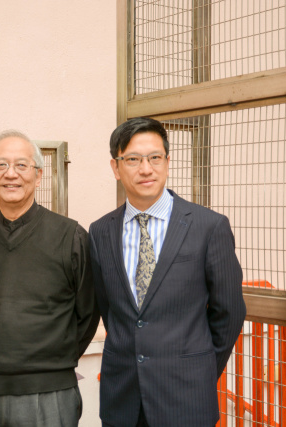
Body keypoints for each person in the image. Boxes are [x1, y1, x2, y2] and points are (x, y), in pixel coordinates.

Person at [89, 117, 246, 426]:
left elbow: (229, 312)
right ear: (116, 167)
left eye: (155, 158)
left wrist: (199, 370)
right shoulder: (100, 231)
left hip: (186, 397)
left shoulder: (208, 227)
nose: (146, 169)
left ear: (168, 162)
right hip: (123, 399)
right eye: (133, 159)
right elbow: (110, 309)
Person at [0, 130, 99, 427]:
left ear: (38, 175)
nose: (11, 174)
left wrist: (51, 363)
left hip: (48, 391)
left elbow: (88, 313)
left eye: (22, 165)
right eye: (1, 165)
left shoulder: (70, 236)